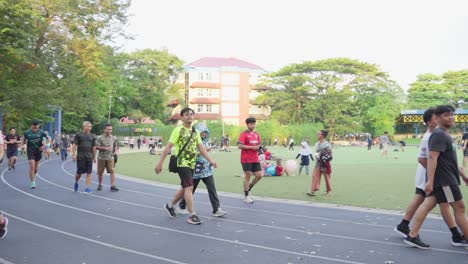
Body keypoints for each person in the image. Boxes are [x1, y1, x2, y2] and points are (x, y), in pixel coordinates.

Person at [395, 107, 465, 246]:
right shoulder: (432, 136)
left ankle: (409, 230)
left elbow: (446, 160)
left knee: (432, 203)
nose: (450, 117)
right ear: (431, 121)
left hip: (437, 178)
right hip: (435, 178)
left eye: (452, 115)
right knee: (449, 206)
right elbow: (425, 158)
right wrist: (431, 179)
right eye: (438, 117)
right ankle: (455, 235)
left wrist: (461, 174)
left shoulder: (440, 134)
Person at [155, 107, 217, 225]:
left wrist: (210, 160)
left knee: (185, 187)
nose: (190, 116)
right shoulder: (178, 130)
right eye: (187, 114)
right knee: (189, 187)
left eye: (191, 114)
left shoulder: (196, 132)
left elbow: (201, 148)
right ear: (182, 117)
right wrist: (160, 163)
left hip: (191, 163)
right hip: (181, 162)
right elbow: (168, 147)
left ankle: (170, 205)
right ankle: (192, 214)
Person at [178, 123, 227, 217]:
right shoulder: (193, 142)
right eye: (202, 132)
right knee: (191, 190)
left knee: (212, 189)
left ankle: (216, 209)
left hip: (207, 170)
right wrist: (201, 152)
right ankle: (182, 205)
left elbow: (206, 154)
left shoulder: (205, 142)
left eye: (205, 132)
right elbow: (191, 154)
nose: (204, 134)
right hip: (196, 171)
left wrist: (211, 160)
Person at [238, 117, 263, 203]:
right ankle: (246, 196)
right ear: (247, 124)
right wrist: (252, 147)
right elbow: (240, 146)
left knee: (259, 175)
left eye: (254, 124)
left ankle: (248, 190)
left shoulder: (256, 134)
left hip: (255, 158)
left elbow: (258, 145)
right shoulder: (243, 134)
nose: (253, 125)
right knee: (248, 175)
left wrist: (260, 149)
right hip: (246, 159)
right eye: (251, 124)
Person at [21, 121, 49, 189]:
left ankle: (33, 174)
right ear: (31, 126)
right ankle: (33, 182)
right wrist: (23, 145)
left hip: (38, 150)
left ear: (38, 126)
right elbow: (23, 139)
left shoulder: (41, 132)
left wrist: (44, 145)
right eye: (33, 127)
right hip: (30, 150)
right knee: (31, 165)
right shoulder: (27, 132)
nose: (35, 129)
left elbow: (48, 139)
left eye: (36, 128)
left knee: (35, 168)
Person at [72, 121, 97, 193]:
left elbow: (94, 147)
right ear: (83, 127)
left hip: (89, 157)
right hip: (81, 157)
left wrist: (94, 156)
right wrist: (73, 154)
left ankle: (87, 188)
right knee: (79, 173)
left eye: (90, 126)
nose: (89, 128)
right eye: (87, 126)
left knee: (89, 173)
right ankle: (76, 182)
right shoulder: (79, 135)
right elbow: (74, 145)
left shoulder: (93, 136)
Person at [308, 130, 332, 196]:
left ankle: (329, 191)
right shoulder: (317, 143)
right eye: (317, 134)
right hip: (318, 162)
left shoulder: (326, 144)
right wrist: (317, 155)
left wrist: (321, 154)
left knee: (326, 177)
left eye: (319, 134)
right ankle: (313, 191)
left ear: (322, 136)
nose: (317, 135)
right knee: (314, 176)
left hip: (324, 163)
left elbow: (329, 153)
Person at [96, 124, 119, 192]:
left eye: (110, 129)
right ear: (105, 130)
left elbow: (116, 145)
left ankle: (112, 186)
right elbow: (96, 147)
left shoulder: (114, 138)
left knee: (112, 171)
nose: (109, 131)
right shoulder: (100, 137)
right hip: (101, 158)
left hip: (110, 157)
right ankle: (100, 184)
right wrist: (105, 148)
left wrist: (116, 151)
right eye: (108, 129)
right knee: (100, 173)